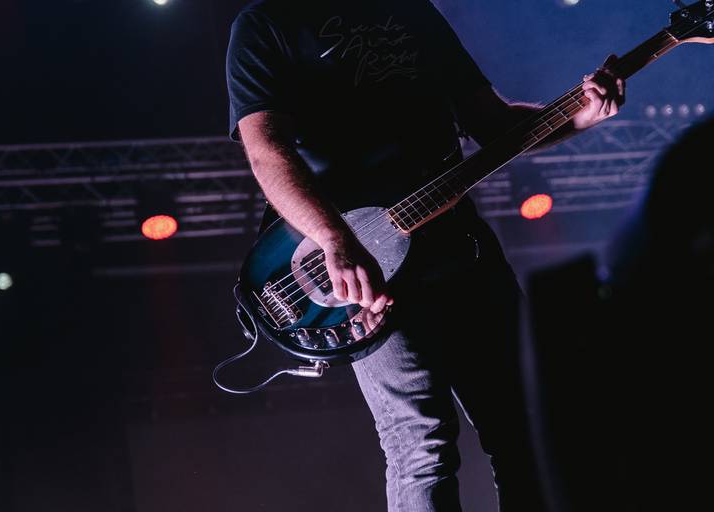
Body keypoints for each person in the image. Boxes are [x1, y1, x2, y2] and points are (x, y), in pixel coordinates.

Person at [226, 1, 624, 510]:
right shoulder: (266, 23)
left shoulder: (411, 10)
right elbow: (266, 151)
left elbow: (493, 121)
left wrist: (578, 117)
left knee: (524, 429)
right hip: (364, 274)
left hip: (461, 251)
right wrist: (334, 239)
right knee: (422, 445)